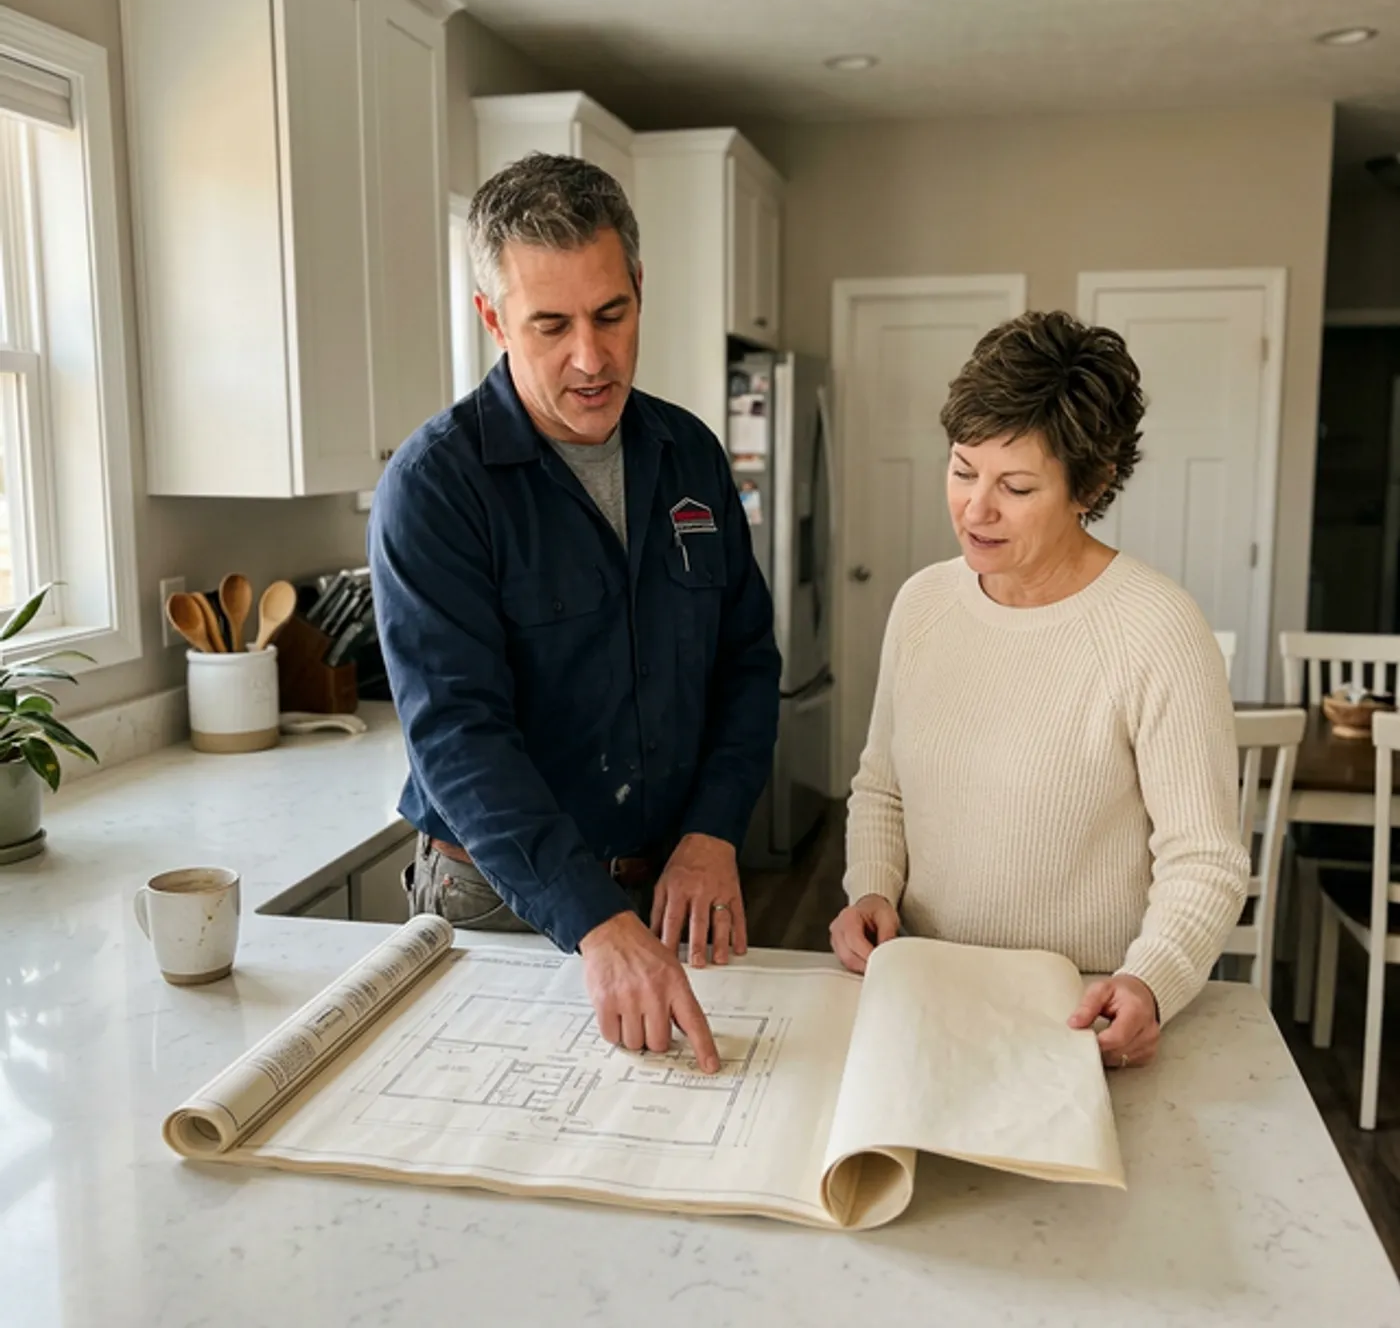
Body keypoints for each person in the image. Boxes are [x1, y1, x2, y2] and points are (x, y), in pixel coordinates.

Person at [369, 154, 781, 1075]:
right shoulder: (435, 489)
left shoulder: (691, 456)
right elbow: (460, 735)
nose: (590, 360)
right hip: (499, 894)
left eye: (611, 315)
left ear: (640, 287)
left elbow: (747, 660)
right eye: (549, 326)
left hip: (677, 883)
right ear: (492, 318)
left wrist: (715, 829)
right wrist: (593, 915)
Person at [830, 311, 1249, 1068]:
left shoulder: (1159, 628)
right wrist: (870, 891)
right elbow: (881, 787)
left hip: (1077, 1017)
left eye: (1015, 486)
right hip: (923, 996)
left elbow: (1205, 857)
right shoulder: (921, 605)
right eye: (962, 470)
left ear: (1090, 486)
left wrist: (1150, 982)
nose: (975, 509)